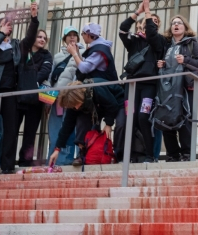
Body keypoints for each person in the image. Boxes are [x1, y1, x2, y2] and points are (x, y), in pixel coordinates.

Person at [0, 2, 39, 174]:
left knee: (11, 130)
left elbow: (30, 39)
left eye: (9, 24)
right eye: (3, 24)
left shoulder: (16, 45)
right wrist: (0, 34)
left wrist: (34, 19)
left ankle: (7, 166)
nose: (8, 26)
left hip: (11, 93)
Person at [117, 0, 164, 163]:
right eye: (149, 21)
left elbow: (152, 35)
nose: (152, 24)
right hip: (132, 85)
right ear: (140, 25)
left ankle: (150, 155)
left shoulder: (159, 41)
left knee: (143, 118)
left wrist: (149, 13)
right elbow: (122, 29)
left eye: (155, 22)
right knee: (131, 117)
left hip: (149, 85)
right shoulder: (134, 41)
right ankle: (127, 155)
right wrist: (138, 12)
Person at [156, 15, 198, 162]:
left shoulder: (192, 44)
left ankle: (186, 153)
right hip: (168, 88)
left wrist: (186, 60)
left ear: (185, 27)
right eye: (173, 23)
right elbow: (167, 65)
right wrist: (162, 64)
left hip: (186, 86)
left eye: (179, 23)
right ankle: (172, 153)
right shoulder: (167, 46)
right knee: (166, 117)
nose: (176, 25)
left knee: (185, 117)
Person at [48, 79, 124, 166]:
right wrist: (57, 149)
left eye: (76, 105)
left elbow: (112, 105)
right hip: (96, 107)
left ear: (80, 98)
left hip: (116, 101)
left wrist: (108, 124)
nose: (75, 108)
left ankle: (119, 155)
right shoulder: (74, 104)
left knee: (121, 124)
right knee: (81, 121)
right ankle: (83, 153)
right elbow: (67, 126)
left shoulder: (97, 90)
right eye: (73, 107)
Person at [46, 26, 83, 166]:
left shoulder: (83, 52)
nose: (72, 37)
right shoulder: (57, 56)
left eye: (75, 35)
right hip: (57, 98)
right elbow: (51, 79)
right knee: (55, 131)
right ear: (64, 39)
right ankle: (52, 161)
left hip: (73, 98)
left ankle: (66, 160)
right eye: (69, 35)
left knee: (69, 130)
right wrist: (47, 101)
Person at [15, 29, 52, 166]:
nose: (42, 39)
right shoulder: (22, 50)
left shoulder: (46, 55)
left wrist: (30, 83)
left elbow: (45, 72)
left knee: (30, 132)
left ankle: (25, 160)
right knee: (13, 130)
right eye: (39, 37)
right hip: (18, 96)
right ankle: (7, 160)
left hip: (35, 99)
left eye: (44, 38)